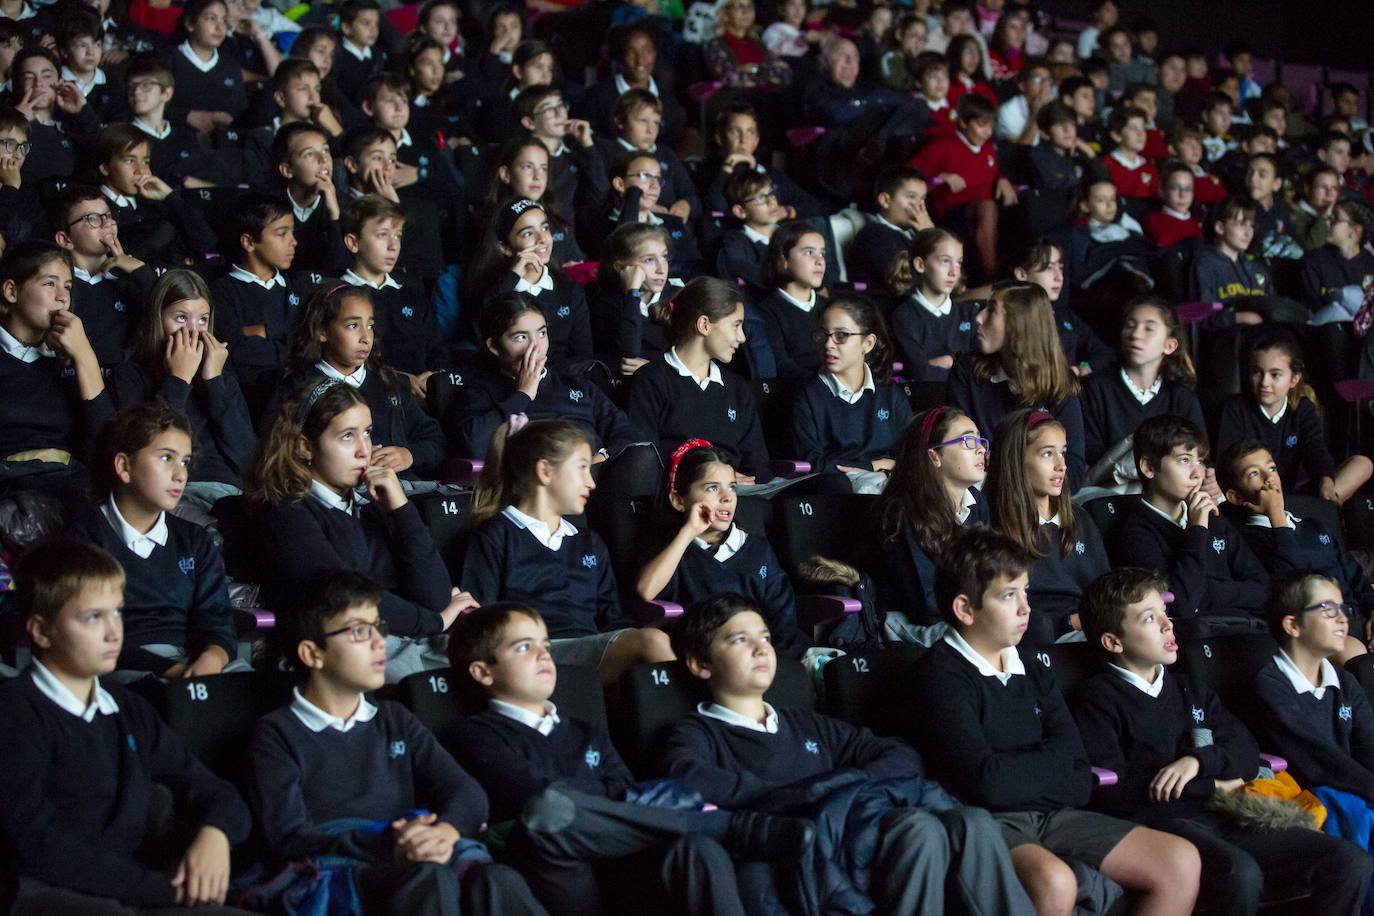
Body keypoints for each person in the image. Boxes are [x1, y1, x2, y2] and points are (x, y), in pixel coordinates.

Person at [663, 592, 1040, 915]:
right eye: (739, 640)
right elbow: (691, 781)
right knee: (920, 828)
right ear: (700, 664)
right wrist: (811, 793)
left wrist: (847, 786)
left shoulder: (806, 723)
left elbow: (895, 753)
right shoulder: (697, 733)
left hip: (859, 830)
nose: (762, 647)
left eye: (764, 636)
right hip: (811, 855)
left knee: (972, 821)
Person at [447, 601, 817, 916]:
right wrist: (605, 799)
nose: (545, 654)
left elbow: (627, 792)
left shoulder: (583, 730)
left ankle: (708, 830)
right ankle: (725, 825)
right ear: (483, 671)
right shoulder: (475, 736)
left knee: (696, 849)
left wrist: (606, 802)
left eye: (545, 644)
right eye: (524, 647)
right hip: (555, 873)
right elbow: (539, 798)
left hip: (621, 860)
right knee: (553, 811)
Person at [911, 526, 1203, 916]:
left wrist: (1027, 773)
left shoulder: (1033, 665)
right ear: (965, 608)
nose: (1025, 608)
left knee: (1179, 862)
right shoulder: (940, 674)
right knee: (1055, 882)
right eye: (1008, 595)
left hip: (1056, 817)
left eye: (1026, 592)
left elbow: (1080, 774)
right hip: (989, 824)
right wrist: (1048, 768)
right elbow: (985, 783)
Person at [1072, 567, 1372, 916]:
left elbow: (1244, 750)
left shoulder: (1189, 687)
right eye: (1149, 618)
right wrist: (1211, 783)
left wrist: (1198, 762)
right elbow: (1114, 793)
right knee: (1240, 873)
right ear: (1113, 642)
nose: (1168, 625)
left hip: (1223, 815)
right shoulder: (1097, 698)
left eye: (1165, 614)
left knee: (1349, 861)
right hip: (1161, 825)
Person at [248, 572, 547, 916]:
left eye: (379, 627)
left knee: (497, 879)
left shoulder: (393, 718)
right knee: (428, 878)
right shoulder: (277, 733)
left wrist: (444, 832)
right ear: (312, 653)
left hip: (417, 853)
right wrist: (392, 841)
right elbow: (287, 835)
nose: (379, 642)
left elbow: (466, 792)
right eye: (360, 631)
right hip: (348, 866)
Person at [0, 538, 253, 915]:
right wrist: (158, 889)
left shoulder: (127, 708)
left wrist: (214, 835)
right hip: (43, 893)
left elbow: (213, 791)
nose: (113, 632)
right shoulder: (16, 713)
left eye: (117, 613)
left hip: (136, 890)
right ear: (41, 630)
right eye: (92, 618)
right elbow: (35, 846)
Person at [247, 380, 467, 680]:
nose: (365, 450)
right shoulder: (288, 512)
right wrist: (435, 623)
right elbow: (346, 597)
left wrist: (401, 507)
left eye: (367, 432)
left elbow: (436, 595)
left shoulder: (374, 501)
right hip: (338, 650)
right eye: (347, 436)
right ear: (305, 446)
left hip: (402, 638)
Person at [461, 418, 674, 682]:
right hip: (536, 652)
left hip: (590, 647)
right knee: (653, 642)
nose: (591, 482)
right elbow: (483, 618)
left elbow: (612, 617)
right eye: (582, 468)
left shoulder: (589, 542)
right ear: (546, 472)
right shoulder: (495, 535)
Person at [67, 403, 247, 681]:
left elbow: (217, 620)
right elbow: (87, 636)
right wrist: (173, 673)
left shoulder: (194, 539)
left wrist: (212, 658)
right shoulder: (84, 539)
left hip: (194, 663)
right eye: (166, 458)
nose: (181, 474)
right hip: (123, 667)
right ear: (124, 466)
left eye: (185, 462)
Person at [637, 442, 809, 657]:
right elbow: (646, 590)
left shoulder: (758, 550)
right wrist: (689, 532)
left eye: (732, 487)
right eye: (712, 488)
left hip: (764, 659)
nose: (727, 497)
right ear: (679, 500)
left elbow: (783, 625)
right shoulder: (670, 551)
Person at [444, 293, 646, 475]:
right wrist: (523, 395)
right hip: (536, 485)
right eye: (521, 337)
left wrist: (603, 456)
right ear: (494, 347)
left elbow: (627, 433)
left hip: (597, 477)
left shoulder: (574, 382)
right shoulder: (480, 391)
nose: (536, 347)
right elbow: (474, 444)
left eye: (542, 333)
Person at [264, 282, 444, 481]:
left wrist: (408, 455)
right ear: (321, 331)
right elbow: (278, 453)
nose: (366, 337)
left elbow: (434, 439)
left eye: (370, 326)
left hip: (404, 489)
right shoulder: (297, 388)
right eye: (352, 326)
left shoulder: (390, 383)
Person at [110, 268, 255, 509]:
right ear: (158, 318)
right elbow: (144, 447)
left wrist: (214, 382)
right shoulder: (131, 374)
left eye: (202, 320)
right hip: (174, 490)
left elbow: (246, 456)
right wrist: (179, 379)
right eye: (180, 318)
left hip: (229, 491)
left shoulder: (220, 374)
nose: (193, 331)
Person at [1218, 440, 1374, 658]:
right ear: (1236, 496)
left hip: (1358, 617)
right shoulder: (1246, 541)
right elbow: (1297, 584)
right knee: (1354, 653)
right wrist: (1277, 519)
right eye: (1254, 474)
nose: (1269, 478)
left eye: (1271, 468)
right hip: (1319, 627)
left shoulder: (1313, 525)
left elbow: (1356, 578)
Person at [1114, 414, 1268, 634]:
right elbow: (1181, 606)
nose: (1198, 473)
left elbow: (1264, 589)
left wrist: (1208, 591)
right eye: (1184, 460)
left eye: (1200, 461)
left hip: (1244, 630)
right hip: (1194, 644)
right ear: (1149, 467)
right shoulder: (1135, 533)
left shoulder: (1213, 518)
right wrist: (1197, 529)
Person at [628, 277, 773, 483]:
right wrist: (718, 480)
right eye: (736, 325)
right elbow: (646, 461)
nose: (742, 337)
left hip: (739, 500)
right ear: (704, 325)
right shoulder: (651, 380)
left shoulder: (738, 388)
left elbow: (758, 464)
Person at [986, 408, 1109, 645]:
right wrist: (1069, 622)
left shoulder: (1080, 518)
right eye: (1047, 454)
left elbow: (1104, 591)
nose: (1061, 466)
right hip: (1037, 635)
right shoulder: (993, 523)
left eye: (1063, 453)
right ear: (1017, 459)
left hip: (1090, 630)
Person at [0, 240, 113, 496]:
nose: (62, 297)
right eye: (49, 283)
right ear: (11, 291)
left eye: (68, 287)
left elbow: (107, 441)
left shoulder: (70, 358)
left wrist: (85, 356)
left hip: (66, 484)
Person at [948, 281, 1087, 487]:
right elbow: (957, 451)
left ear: (1019, 324)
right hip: (980, 493)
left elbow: (1072, 471)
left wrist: (1007, 465)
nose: (978, 317)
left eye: (992, 310)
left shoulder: (1060, 384)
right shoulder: (967, 370)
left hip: (1036, 499)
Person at [1251, 570, 1374, 802]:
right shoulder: (1270, 687)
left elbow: (1369, 747)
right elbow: (1322, 763)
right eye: (1329, 609)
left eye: (1343, 608)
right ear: (1293, 625)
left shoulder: (1345, 681)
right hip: (1308, 805)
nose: (1343, 619)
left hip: (1357, 795)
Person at [1214, 331, 1371, 505]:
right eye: (1258, 372)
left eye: (1275, 375)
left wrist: (1326, 483)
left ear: (1294, 379)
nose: (1264, 382)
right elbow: (1227, 464)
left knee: (1362, 463)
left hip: (1289, 497)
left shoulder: (1303, 409)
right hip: (1253, 498)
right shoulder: (1235, 408)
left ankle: (1323, 508)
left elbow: (1316, 453)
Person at [874, 406, 989, 641]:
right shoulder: (903, 510)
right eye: (968, 440)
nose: (981, 450)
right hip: (912, 622)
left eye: (980, 440)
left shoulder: (976, 501)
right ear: (935, 456)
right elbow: (924, 604)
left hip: (962, 613)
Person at [1080, 297, 1205, 491]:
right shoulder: (1095, 388)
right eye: (1130, 325)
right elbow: (1091, 459)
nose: (1135, 334)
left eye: (1149, 328)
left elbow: (1199, 455)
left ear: (1170, 345)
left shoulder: (1182, 397)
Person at [789, 296, 912, 478]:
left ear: (868, 343)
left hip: (890, 481)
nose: (828, 344)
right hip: (839, 488)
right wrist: (873, 466)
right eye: (824, 334)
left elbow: (913, 452)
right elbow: (811, 462)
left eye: (841, 335)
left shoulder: (891, 394)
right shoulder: (806, 395)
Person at [465, 197, 592, 368]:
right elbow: (478, 334)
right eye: (528, 233)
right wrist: (513, 276)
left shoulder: (568, 287)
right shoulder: (492, 288)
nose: (542, 239)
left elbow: (583, 355)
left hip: (561, 383)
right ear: (505, 247)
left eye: (545, 228)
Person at [911, 92, 1018, 281]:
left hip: (984, 215)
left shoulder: (987, 148)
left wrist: (1002, 178)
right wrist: (940, 177)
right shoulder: (943, 146)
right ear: (963, 123)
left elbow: (991, 171)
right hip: (951, 214)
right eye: (981, 125)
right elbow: (909, 175)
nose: (987, 131)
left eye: (990, 126)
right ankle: (992, 277)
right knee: (988, 207)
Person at [340, 194, 445, 386]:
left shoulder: (412, 294)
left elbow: (437, 349)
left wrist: (435, 378)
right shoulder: (338, 297)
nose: (393, 245)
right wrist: (401, 381)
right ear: (353, 243)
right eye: (382, 235)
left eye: (397, 236)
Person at [50, 183, 154, 369]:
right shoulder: (56, 287)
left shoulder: (131, 279)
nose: (107, 223)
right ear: (65, 239)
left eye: (107, 215)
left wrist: (141, 270)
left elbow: (159, 321)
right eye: (92, 219)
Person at [887, 227, 978, 383]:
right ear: (920, 265)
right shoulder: (904, 316)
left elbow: (980, 370)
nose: (954, 272)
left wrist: (945, 364)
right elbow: (920, 373)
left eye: (958, 263)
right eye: (945, 261)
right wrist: (959, 367)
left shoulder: (970, 313)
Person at [1010, 240, 1114, 376]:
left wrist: (1083, 368)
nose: (1059, 277)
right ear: (1021, 274)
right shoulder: (1007, 316)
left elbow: (1104, 353)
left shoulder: (1064, 316)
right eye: (1049, 267)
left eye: (1060, 267)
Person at [588, 222, 680, 372]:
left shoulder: (680, 295)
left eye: (664, 257)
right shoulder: (607, 304)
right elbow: (629, 353)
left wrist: (652, 369)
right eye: (649, 260)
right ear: (621, 267)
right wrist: (632, 293)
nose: (661, 269)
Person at [755, 220, 827, 379]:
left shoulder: (831, 307)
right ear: (784, 260)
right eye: (809, 252)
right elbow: (782, 365)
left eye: (822, 253)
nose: (819, 261)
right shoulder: (768, 310)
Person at [846, 166, 934, 295]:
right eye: (911, 197)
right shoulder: (874, 237)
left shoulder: (914, 233)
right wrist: (930, 236)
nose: (919, 206)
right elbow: (909, 284)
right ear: (885, 200)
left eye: (923, 199)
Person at [161, 0, 247, 132]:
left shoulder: (231, 66)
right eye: (211, 18)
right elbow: (149, 106)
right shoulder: (166, 60)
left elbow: (241, 112)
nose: (219, 27)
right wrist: (187, 116)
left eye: (223, 20)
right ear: (190, 23)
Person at [1300, 197, 1374, 324]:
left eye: (1335, 219)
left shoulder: (1371, 264)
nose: (1327, 222)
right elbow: (1311, 308)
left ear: (1355, 230)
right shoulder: (1314, 261)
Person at [1145, 162, 1203, 248]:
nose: (1182, 195)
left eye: (1188, 189)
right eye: (1175, 188)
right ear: (1162, 190)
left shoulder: (1196, 224)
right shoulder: (1154, 220)